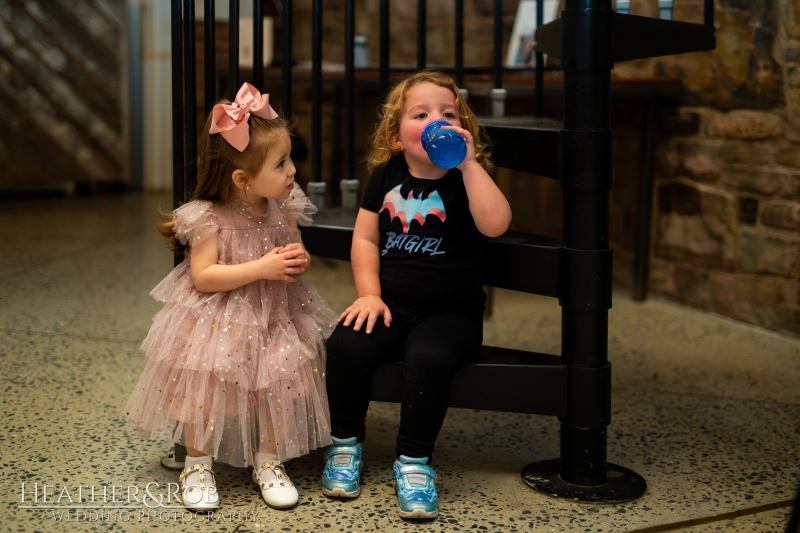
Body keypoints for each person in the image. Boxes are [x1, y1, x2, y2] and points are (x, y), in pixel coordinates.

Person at [126, 83, 337, 512]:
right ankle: (198, 463)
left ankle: (268, 460)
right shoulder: (208, 216)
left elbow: (295, 249)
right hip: (218, 315)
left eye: (290, 158)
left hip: (278, 312)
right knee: (205, 384)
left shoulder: (285, 205)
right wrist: (261, 268)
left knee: (280, 379)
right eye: (281, 163)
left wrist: (298, 259)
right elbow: (204, 276)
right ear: (242, 178)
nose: (293, 170)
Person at [321, 71, 512, 519]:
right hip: (391, 306)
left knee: (427, 360)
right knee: (344, 345)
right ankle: (345, 445)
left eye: (448, 114)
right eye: (421, 114)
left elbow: (496, 224)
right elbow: (366, 240)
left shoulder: (467, 180)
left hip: (451, 316)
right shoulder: (385, 176)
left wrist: (467, 164)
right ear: (395, 135)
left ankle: (413, 462)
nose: (436, 122)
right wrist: (369, 295)